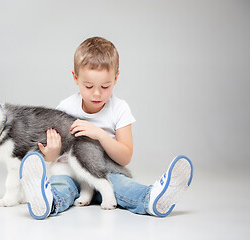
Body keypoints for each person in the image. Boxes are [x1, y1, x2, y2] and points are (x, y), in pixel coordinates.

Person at [19, 37, 193, 220]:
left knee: (124, 185)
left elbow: (125, 157)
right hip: (71, 173)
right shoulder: (65, 107)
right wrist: (51, 153)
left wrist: (100, 135)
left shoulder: (120, 109)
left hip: (107, 173)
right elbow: (52, 156)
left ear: (116, 78)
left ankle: (152, 198)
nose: (96, 93)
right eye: (88, 86)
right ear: (75, 77)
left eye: (105, 86)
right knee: (60, 183)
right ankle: (48, 201)